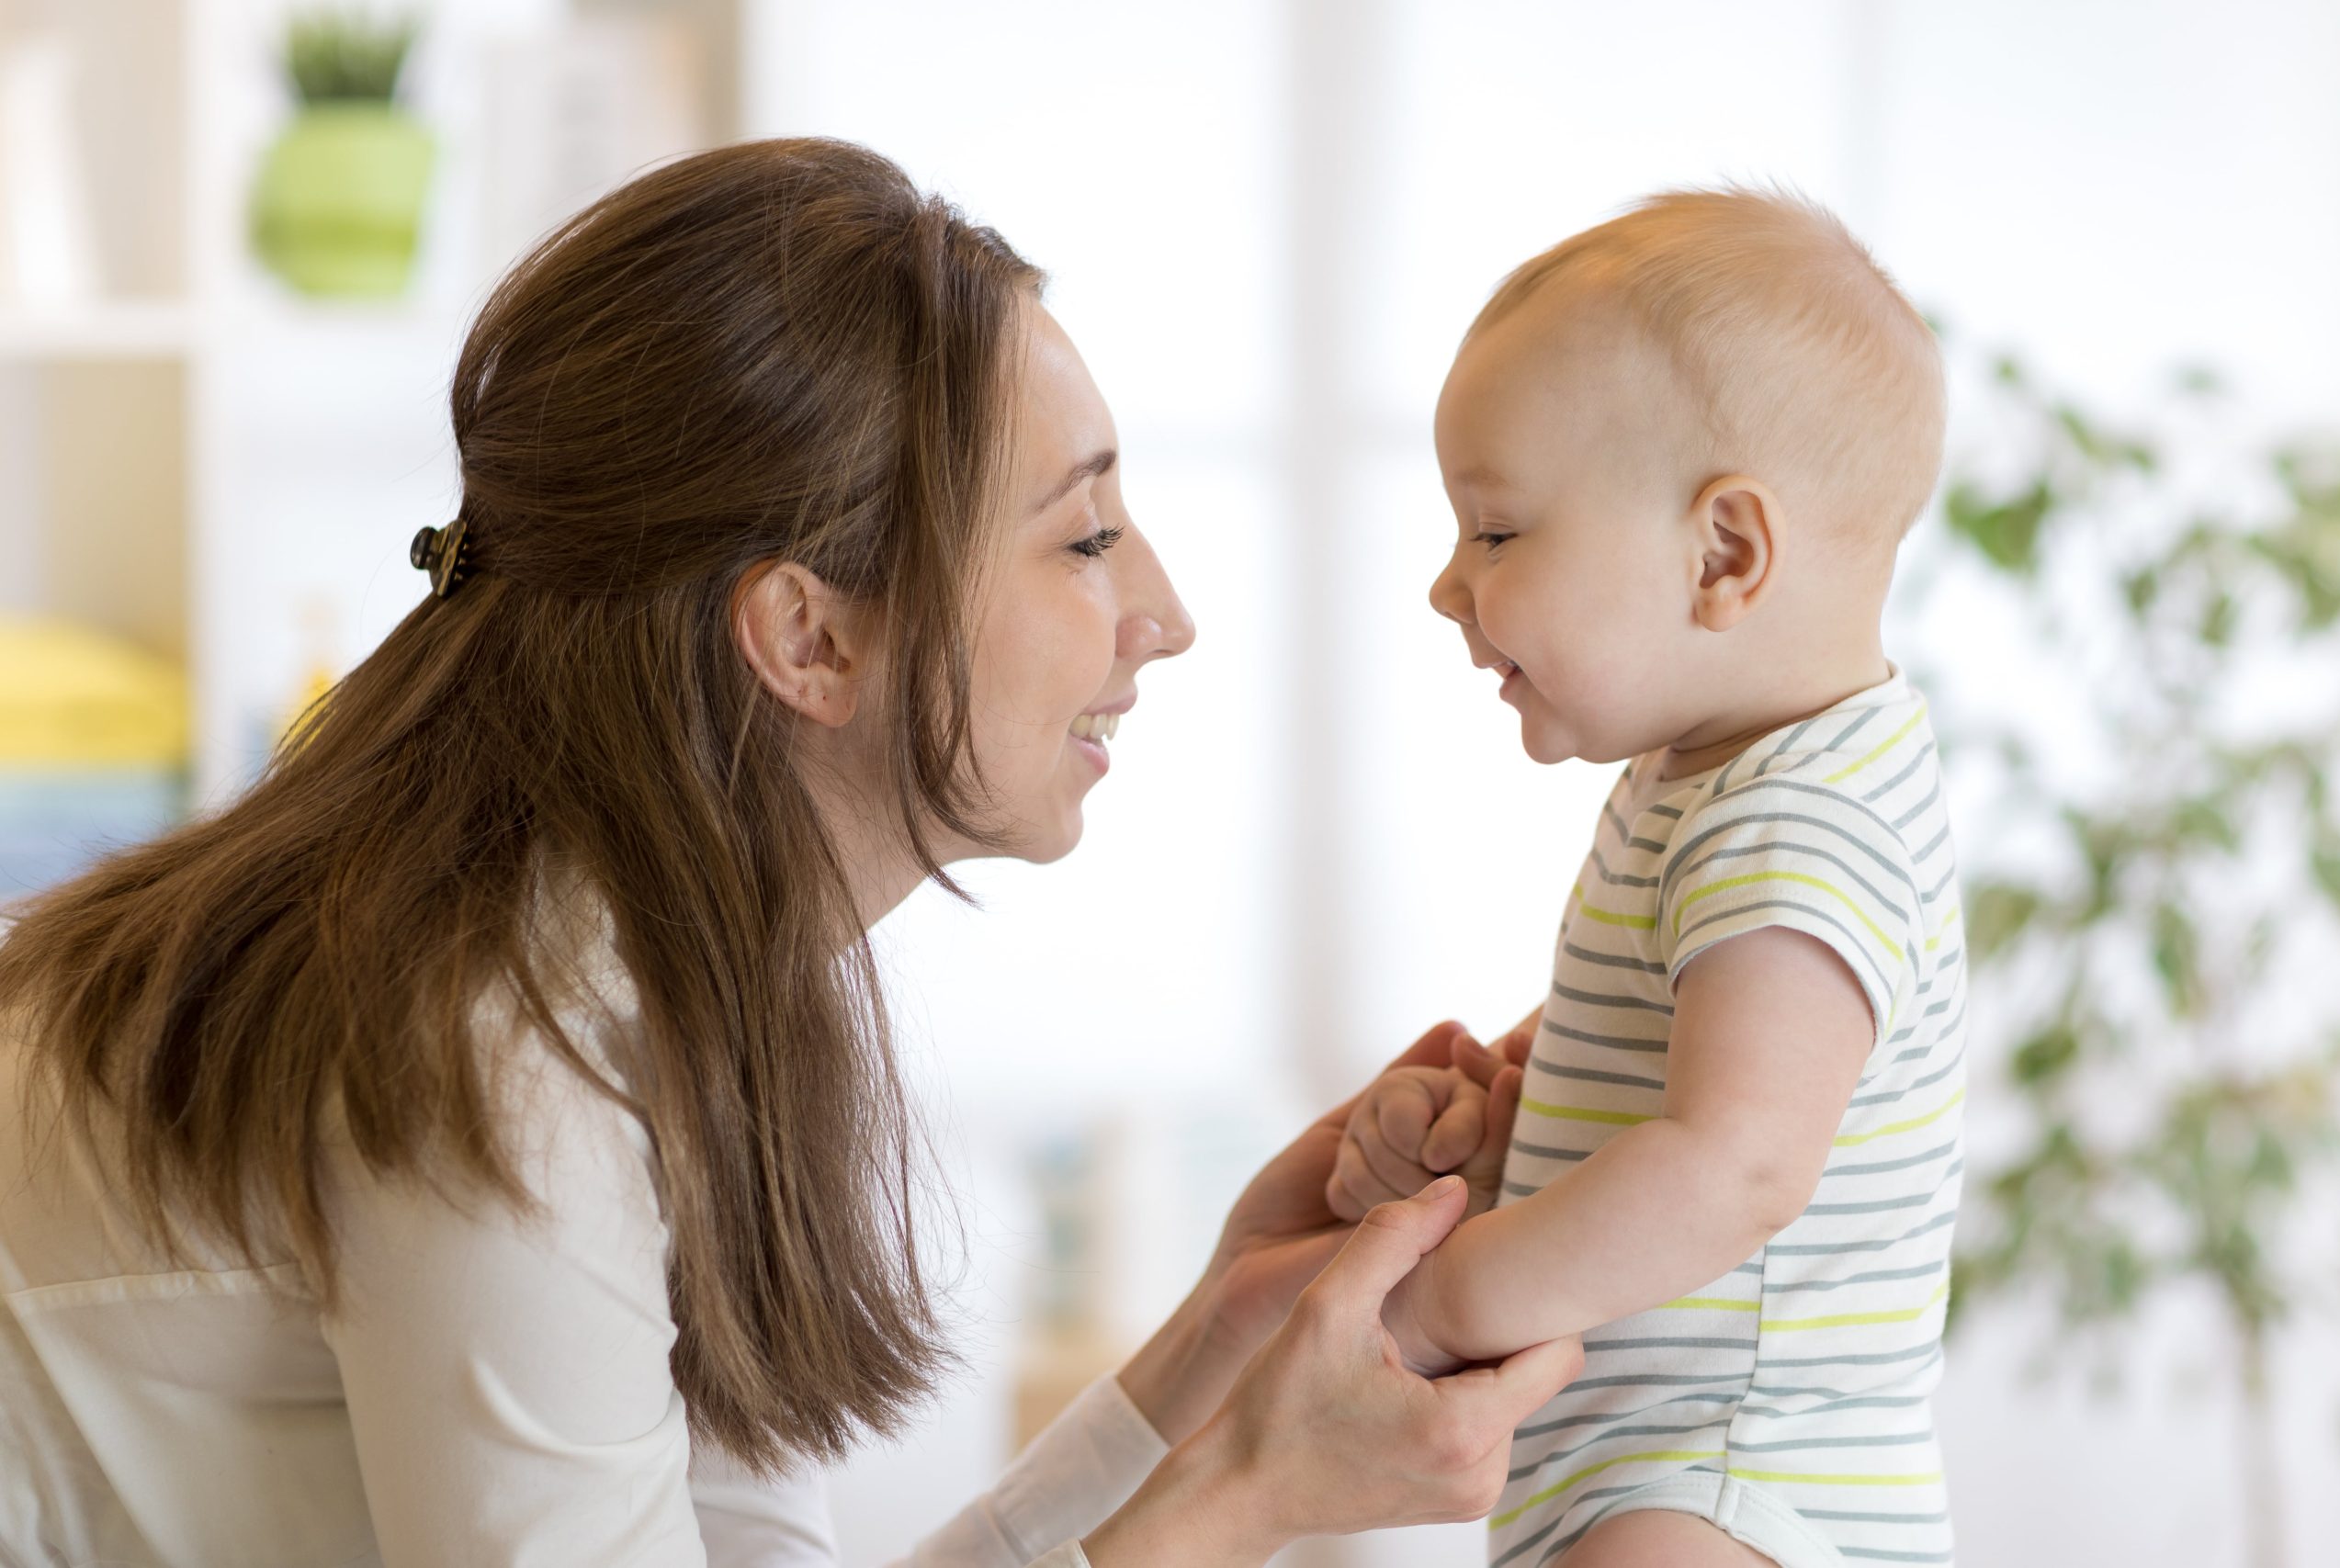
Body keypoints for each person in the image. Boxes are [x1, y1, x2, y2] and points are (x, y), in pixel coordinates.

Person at [0, 138, 1582, 1568]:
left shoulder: (663, 983)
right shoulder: (504, 1048)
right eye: (1083, 537)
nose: (1163, 615)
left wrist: (1221, 1343)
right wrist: (1250, 1499)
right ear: (808, 636)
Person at [1323, 188, 1964, 1568]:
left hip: (1726, 1483)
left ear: (1723, 554)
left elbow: (1734, 1166)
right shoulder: (1723, 783)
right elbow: (1673, 1105)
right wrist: (1511, 1139)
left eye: (1494, 533)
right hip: (1652, 1474)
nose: (1448, 585)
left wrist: (1442, 1306)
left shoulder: (1798, 821)